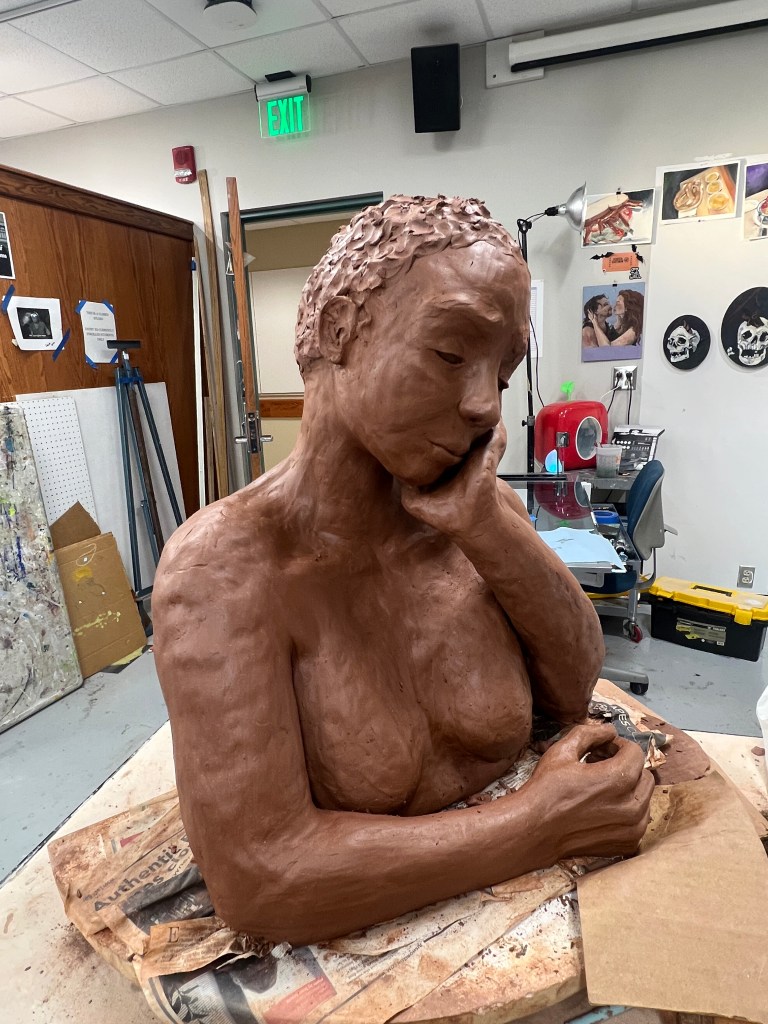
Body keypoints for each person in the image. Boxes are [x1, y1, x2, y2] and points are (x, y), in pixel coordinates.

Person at [153, 195, 653, 948]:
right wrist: (537, 823)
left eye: (504, 373)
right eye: (450, 354)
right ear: (339, 330)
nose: (486, 408)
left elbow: (572, 687)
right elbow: (259, 879)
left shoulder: (476, 513)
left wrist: (488, 531)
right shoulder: (225, 570)